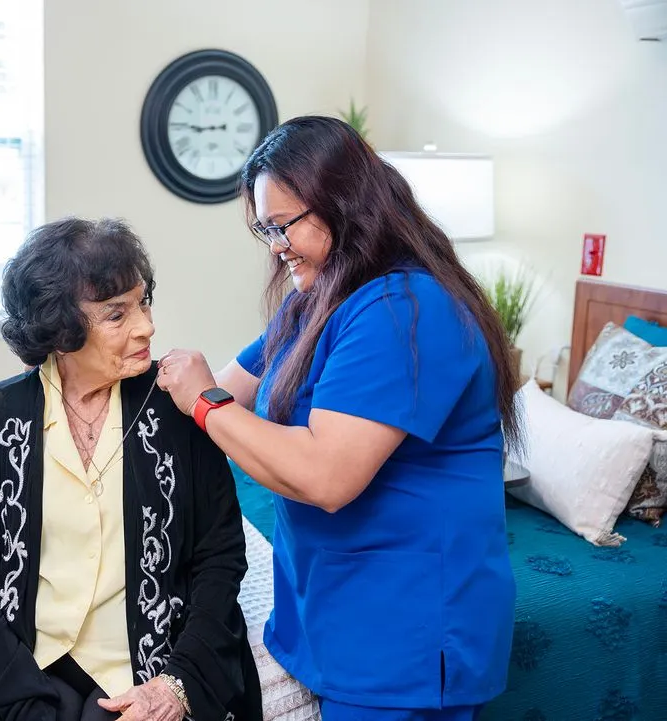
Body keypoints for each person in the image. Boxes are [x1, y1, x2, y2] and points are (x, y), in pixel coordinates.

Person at [156, 116, 520, 721]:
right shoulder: (317, 298)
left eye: (282, 224)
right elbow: (230, 390)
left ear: (344, 204)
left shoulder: (407, 307)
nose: (275, 245)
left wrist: (203, 402)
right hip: (328, 608)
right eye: (264, 229)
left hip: (404, 628)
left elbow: (326, 475)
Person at [0, 217, 263, 721]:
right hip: (23, 645)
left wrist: (177, 684)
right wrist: (23, 699)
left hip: (141, 657)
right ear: (62, 329)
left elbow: (219, 561)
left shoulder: (177, 411)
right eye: (117, 315)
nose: (147, 326)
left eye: (144, 302)